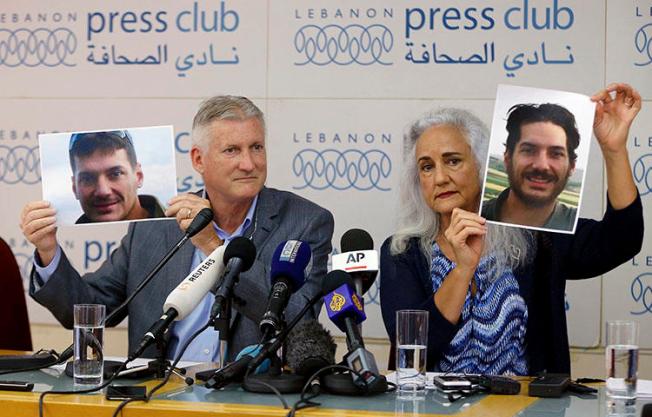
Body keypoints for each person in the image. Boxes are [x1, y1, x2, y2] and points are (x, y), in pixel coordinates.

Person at [20, 96, 334, 362]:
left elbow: (297, 322)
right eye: (232, 150)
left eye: (256, 148)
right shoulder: (158, 226)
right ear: (199, 159)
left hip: (248, 397)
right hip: (158, 395)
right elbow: (89, 311)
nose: (249, 164)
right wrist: (48, 253)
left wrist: (213, 246)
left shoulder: (304, 222)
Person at [380, 83, 643, 375]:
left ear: (482, 165)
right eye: (426, 167)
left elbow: (622, 240)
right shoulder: (403, 250)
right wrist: (462, 270)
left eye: (453, 161)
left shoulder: (533, 234)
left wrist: (614, 149)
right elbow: (412, 347)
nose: (439, 178)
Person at [482, 103, 581, 231]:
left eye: (556, 154)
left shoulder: (581, 230)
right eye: (529, 150)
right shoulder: (473, 217)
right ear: (507, 157)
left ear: (571, 166)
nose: (541, 165)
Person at [68, 130, 165, 224]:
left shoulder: (177, 228)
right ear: (74, 188)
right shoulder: (60, 239)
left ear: (138, 176)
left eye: (116, 174)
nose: (103, 191)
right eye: (87, 179)